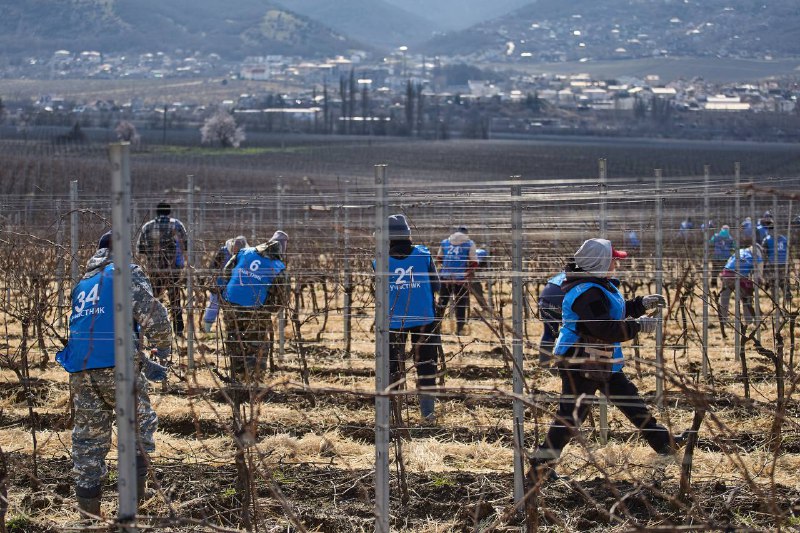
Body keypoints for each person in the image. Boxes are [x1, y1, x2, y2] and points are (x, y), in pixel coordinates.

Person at [528, 238, 687, 485]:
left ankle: (664, 444)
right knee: (572, 415)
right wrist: (637, 327)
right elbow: (604, 328)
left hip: (601, 358)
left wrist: (640, 304)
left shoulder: (598, 285)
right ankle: (541, 467)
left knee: (631, 401)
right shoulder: (586, 292)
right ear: (599, 262)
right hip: (580, 361)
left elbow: (612, 312)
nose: (616, 263)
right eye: (613, 259)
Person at [56, 231, 173, 516]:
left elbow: (99, 326)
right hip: (118, 367)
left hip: (82, 369)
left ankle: (89, 514)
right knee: (138, 429)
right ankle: (135, 504)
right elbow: (153, 315)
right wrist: (163, 348)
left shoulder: (83, 283)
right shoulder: (125, 272)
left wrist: (141, 358)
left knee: (87, 441)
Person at [382, 214, 441, 420]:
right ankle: (428, 414)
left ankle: (392, 413)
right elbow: (437, 286)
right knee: (426, 365)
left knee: (391, 365)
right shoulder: (423, 255)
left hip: (393, 321)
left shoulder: (379, 261)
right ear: (408, 235)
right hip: (425, 319)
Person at [221, 231, 289, 380]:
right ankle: (254, 379)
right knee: (258, 344)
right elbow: (281, 298)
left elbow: (226, 271)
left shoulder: (245, 252)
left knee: (234, 338)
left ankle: (237, 376)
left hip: (230, 303)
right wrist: (268, 308)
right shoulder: (278, 267)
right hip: (255, 308)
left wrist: (230, 290)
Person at [136, 201, 188, 337]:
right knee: (175, 300)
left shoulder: (147, 227)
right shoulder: (177, 225)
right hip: (173, 271)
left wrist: (152, 254)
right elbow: (186, 245)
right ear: (169, 212)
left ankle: (157, 330)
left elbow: (140, 249)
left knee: (155, 302)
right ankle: (178, 331)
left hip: (154, 271)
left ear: (157, 212)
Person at [436, 225, 478, 335]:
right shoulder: (469, 243)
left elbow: (439, 258)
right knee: (460, 304)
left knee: (442, 303)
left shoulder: (445, 242)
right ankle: (459, 329)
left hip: (445, 278)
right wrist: (467, 272)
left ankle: (436, 327)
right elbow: (474, 262)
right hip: (461, 279)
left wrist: (447, 267)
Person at [203, 235, 248, 332]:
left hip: (232, 286)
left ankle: (230, 330)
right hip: (218, 283)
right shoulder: (223, 252)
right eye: (235, 247)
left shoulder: (244, 254)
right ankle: (206, 329)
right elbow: (213, 267)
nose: (236, 250)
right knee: (214, 305)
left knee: (229, 308)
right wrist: (214, 282)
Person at [718, 244, 764, 328]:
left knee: (724, 298)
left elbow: (729, 262)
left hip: (727, 273)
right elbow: (758, 275)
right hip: (741, 276)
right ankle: (749, 322)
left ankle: (723, 321)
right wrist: (758, 283)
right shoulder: (757, 258)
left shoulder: (739, 251)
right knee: (746, 299)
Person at [538, 272, 566, 369]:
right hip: (560, 300)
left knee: (548, 333)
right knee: (569, 332)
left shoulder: (570, 270)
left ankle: (544, 366)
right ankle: (562, 366)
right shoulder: (592, 272)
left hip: (544, 299)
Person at [761, 230, 789, 297]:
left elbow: (764, 253)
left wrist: (764, 265)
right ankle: (788, 298)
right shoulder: (784, 239)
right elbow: (788, 252)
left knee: (773, 282)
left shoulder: (767, 239)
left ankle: (775, 299)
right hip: (784, 263)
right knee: (784, 281)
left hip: (772, 264)